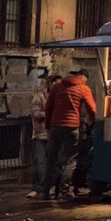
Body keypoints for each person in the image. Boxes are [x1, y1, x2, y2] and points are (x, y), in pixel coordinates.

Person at [37, 68, 96, 201]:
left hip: (55, 127)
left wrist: (48, 126)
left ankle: (45, 191)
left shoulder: (57, 87)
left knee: (51, 159)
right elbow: (92, 109)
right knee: (70, 159)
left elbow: (48, 107)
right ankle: (65, 190)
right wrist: (97, 123)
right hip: (72, 127)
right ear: (83, 77)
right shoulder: (83, 88)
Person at [26, 74, 61, 199]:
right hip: (41, 134)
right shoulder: (40, 97)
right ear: (49, 84)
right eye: (54, 84)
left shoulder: (61, 97)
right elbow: (34, 113)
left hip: (54, 135)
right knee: (40, 162)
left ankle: (48, 187)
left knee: (52, 163)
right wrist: (49, 114)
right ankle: (38, 187)